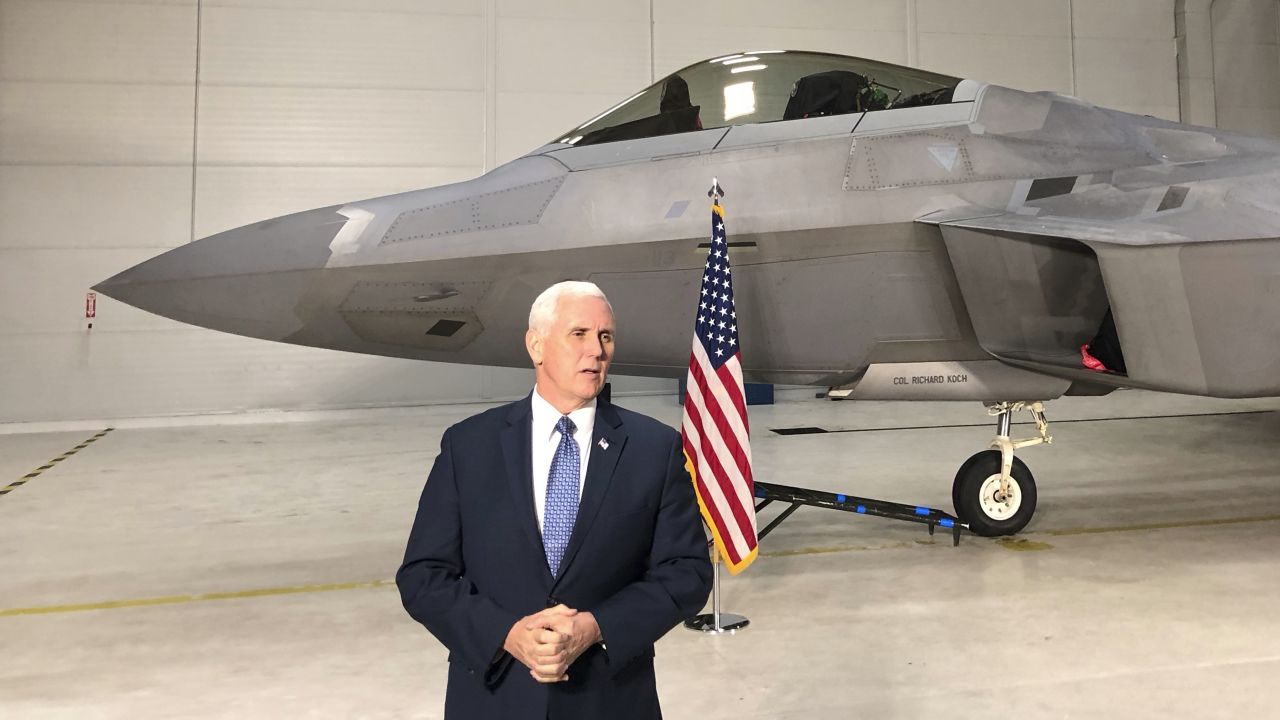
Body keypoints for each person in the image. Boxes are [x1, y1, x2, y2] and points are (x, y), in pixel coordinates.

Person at [396, 280, 713, 720]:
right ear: (536, 345)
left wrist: (595, 626)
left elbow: (687, 573)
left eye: (606, 337)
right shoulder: (469, 445)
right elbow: (423, 575)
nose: (597, 350)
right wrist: (506, 634)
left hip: (609, 700)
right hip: (494, 695)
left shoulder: (653, 449)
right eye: (579, 334)